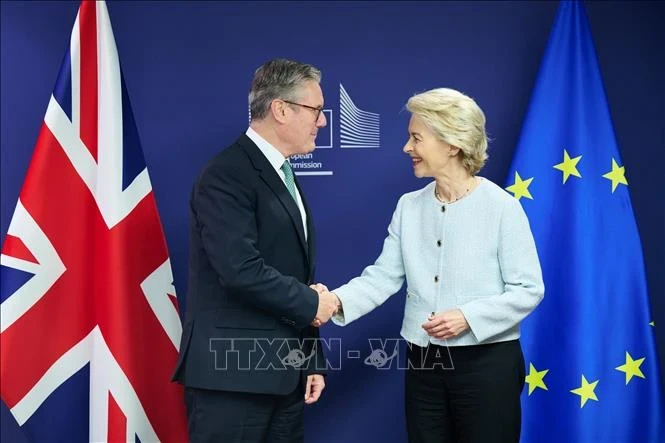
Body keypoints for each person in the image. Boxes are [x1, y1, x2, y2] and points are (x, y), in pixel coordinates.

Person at [329, 88, 545, 442]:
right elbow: (382, 277)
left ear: (452, 144)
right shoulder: (409, 207)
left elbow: (529, 290)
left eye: (416, 138)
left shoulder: (502, 207)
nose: (407, 148)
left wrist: (467, 317)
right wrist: (334, 302)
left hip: (488, 363)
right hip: (424, 362)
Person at [172, 58, 340, 443]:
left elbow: (295, 274)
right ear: (281, 110)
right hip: (232, 379)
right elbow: (239, 269)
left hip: (284, 376)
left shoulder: (283, 173)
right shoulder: (227, 173)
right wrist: (313, 304)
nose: (323, 122)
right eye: (316, 110)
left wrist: (309, 360)